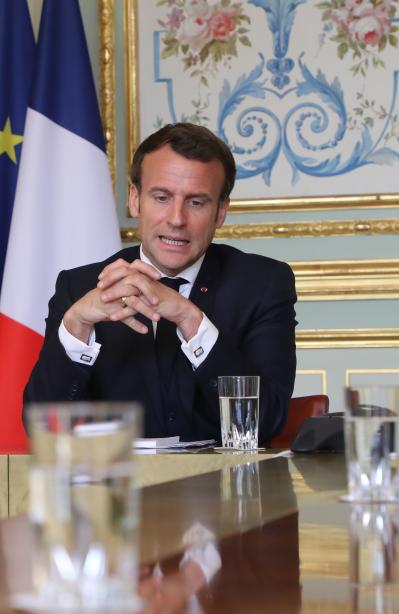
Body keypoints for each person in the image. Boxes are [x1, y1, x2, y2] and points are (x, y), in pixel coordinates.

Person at [23, 122, 296, 444]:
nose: (177, 219)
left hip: (222, 489)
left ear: (221, 212)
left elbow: (266, 422)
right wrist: (76, 327)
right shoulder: (79, 286)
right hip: (116, 488)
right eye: (162, 197)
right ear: (135, 200)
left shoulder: (262, 284)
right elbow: (45, 430)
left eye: (196, 202)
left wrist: (190, 319)